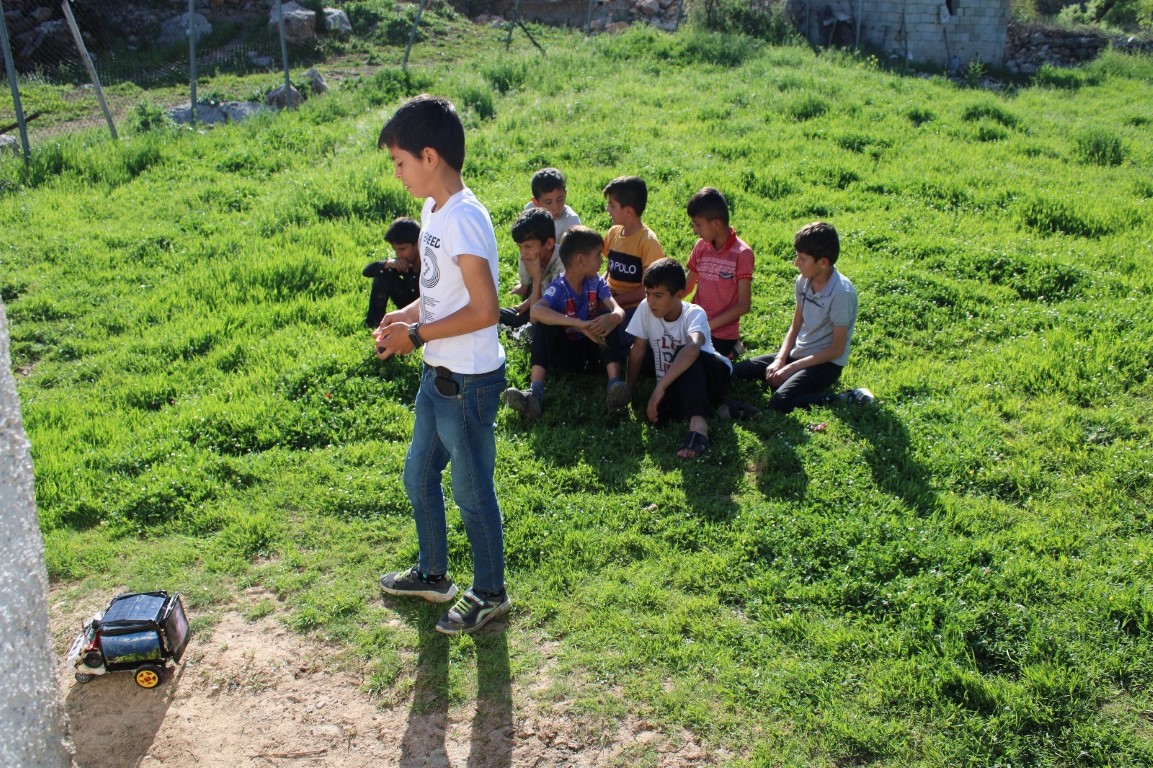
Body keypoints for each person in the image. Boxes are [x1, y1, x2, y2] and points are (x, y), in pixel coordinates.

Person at [372, 94, 510, 636]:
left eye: (400, 162)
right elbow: (440, 294)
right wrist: (404, 318)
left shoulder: (465, 219)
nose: (398, 174)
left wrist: (418, 335)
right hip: (438, 375)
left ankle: (491, 591)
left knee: (473, 495)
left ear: (430, 157)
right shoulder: (433, 212)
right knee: (419, 475)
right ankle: (433, 574)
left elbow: (485, 309)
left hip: (469, 383)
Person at [732, 222, 874, 412]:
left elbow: (836, 349)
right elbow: (795, 326)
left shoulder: (841, 293)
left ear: (823, 263)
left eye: (802, 259)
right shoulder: (803, 281)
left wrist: (791, 369)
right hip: (798, 354)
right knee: (736, 372)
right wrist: (780, 360)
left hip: (825, 364)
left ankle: (843, 398)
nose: (796, 263)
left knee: (779, 402)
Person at [504, 226, 628, 419]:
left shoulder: (596, 282)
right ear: (580, 260)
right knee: (543, 325)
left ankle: (615, 387)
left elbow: (617, 309)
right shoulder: (559, 288)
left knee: (606, 316)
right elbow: (536, 311)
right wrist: (578, 324)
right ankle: (534, 395)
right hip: (566, 356)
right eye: (597, 255)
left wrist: (614, 317)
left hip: (594, 353)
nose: (601, 261)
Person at [623, 258, 732, 460]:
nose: (651, 301)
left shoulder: (694, 313)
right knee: (662, 416)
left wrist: (660, 387)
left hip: (713, 374)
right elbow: (637, 350)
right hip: (675, 379)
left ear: (679, 295)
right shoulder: (645, 309)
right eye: (647, 294)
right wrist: (629, 390)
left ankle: (699, 426)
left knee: (687, 352)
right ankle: (724, 408)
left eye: (658, 295)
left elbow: (692, 348)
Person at [601, 175, 665, 390]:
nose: (608, 210)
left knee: (618, 339)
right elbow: (608, 270)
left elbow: (649, 290)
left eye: (612, 205)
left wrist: (616, 300)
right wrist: (600, 288)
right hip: (610, 303)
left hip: (634, 311)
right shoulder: (613, 233)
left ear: (628, 211)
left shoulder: (648, 242)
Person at [504, 168, 582, 328]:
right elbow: (524, 252)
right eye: (548, 202)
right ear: (536, 202)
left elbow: (573, 265)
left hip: (560, 276)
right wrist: (526, 283)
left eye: (560, 199)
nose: (556, 207)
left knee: (536, 318)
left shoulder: (571, 221)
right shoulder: (531, 212)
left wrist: (533, 298)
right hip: (538, 270)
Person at [683, 187, 754, 359]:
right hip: (694, 323)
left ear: (716, 224)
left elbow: (743, 305)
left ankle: (730, 353)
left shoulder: (742, 253)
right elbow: (686, 288)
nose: (695, 230)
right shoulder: (701, 246)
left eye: (698, 225)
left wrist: (707, 325)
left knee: (691, 361)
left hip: (721, 333)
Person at [499, 208, 559, 330]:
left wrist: (537, 277)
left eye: (528, 246)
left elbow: (535, 320)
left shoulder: (563, 266)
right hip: (537, 305)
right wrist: (527, 303)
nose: (523, 253)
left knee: (537, 330)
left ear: (549, 244)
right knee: (494, 314)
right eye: (520, 247)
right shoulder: (537, 257)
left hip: (554, 319)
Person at [362, 217, 421, 329]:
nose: (399, 255)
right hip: (407, 307)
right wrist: (388, 263)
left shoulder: (429, 262)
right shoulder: (401, 263)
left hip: (430, 309)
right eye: (395, 250)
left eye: (402, 249)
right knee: (383, 274)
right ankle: (374, 324)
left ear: (418, 243)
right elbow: (366, 271)